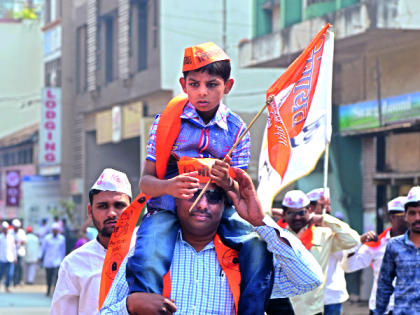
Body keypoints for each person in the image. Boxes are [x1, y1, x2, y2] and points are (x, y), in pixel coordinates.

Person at [128, 42, 273, 310]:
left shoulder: (237, 129)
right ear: (183, 86)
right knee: (149, 250)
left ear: (227, 86)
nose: (202, 92)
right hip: (168, 206)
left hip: (217, 207)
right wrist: (169, 186)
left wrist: (226, 180)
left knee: (256, 247)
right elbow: (145, 183)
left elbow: (237, 191)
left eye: (212, 84)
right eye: (194, 84)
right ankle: (145, 304)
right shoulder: (167, 122)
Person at [100, 165, 324, 315]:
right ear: (175, 200)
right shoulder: (148, 254)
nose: (202, 204)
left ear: (225, 204)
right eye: (192, 194)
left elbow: (310, 279)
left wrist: (259, 221)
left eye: (214, 196)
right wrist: (130, 306)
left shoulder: (248, 259)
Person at [50, 169, 135, 315]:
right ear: (90, 212)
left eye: (119, 205)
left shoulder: (149, 252)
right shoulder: (74, 263)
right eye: (102, 206)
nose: (111, 213)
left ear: (132, 210)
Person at [282, 190, 360, 315]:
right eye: (291, 213)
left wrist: (324, 219)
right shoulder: (279, 237)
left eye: (302, 212)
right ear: (284, 214)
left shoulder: (323, 235)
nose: (297, 217)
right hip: (286, 309)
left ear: (310, 211)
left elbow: (353, 240)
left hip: (314, 309)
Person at [343, 196, 408, 315]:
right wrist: (358, 242)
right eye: (407, 214)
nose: (413, 218)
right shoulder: (377, 244)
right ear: (393, 217)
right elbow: (349, 267)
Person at [374, 188, 420, 315]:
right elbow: (384, 285)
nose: (417, 218)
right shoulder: (394, 245)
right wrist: (378, 311)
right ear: (405, 216)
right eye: (412, 213)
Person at [40, 222, 65, 296]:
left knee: (57, 276)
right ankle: (48, 289)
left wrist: (63, 260)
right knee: (49, 276)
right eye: (54, 230)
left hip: (58, 260)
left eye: (56, 230)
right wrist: (39, 257)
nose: (55, 231)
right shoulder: (47, 238)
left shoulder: (62, 238)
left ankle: (55, 291)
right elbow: (42, 248)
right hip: (48, 260)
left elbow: (63, 250)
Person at [0, 221, 17, 292]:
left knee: (10, 273)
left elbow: (13, 248)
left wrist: (15, 257)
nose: (5, 230)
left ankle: (7, 286)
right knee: (1, 273)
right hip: (2, 258)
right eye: (4, 228)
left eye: (6, 228)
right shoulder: (0, 237)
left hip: (10, 258)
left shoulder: (11, 237)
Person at [10, 219, 26, 286]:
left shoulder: (22, 232)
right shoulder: (10, 232)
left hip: (20, 252)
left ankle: (20, 280)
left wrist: (18, 241)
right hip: (12, 253)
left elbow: (24, 241)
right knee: (14, 268)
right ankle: (14, 281)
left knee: (20, 267)